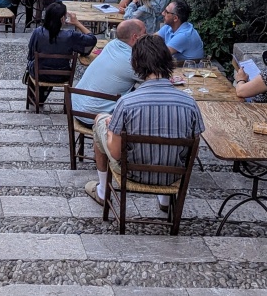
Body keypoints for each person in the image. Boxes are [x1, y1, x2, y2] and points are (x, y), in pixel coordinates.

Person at [85, 34, 205, 212]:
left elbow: (116, 153)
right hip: (172, 175)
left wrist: (111, 130)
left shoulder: (127, 103)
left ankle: (102, 190)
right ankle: (165, 199)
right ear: (168, 61)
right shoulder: (189, 103)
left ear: (136, 64)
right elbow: (193, 149)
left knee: (100, 120)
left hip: (133, 172)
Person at [70, 20, 147, 120]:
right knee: (145, 103)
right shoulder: (131, 62)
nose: (147, 36)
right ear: (135, 37)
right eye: (145, 33)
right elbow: (153, 80)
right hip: (94, 117)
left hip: (77, 106)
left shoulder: (112, 45)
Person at [25, 2, 97, 104]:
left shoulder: (38, 32)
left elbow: (31, 54)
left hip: (39, 73)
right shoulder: (70, 36)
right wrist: (77, 23)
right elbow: (92, 39)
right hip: (62, 75)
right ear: (62, 19)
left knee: (34, 63)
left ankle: (38, 95)